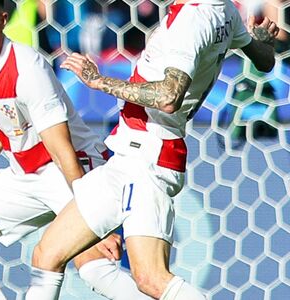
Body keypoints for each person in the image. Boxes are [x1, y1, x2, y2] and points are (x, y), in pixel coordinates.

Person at [25, 0, 278, 299]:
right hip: (130, 152)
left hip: (147, 155)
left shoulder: (192, 19)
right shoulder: (222, 8)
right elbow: (264, 61)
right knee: (47, 255)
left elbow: (170, 96)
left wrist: (99, 81)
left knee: (152, 279)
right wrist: (260, 43)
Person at [0, 1, 148, 299]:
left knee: (93, 266)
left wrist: (91, 214)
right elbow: (0, 123)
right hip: (25, 175)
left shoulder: (28, 68)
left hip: (73, 171)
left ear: (2, 20)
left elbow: (60, 146)